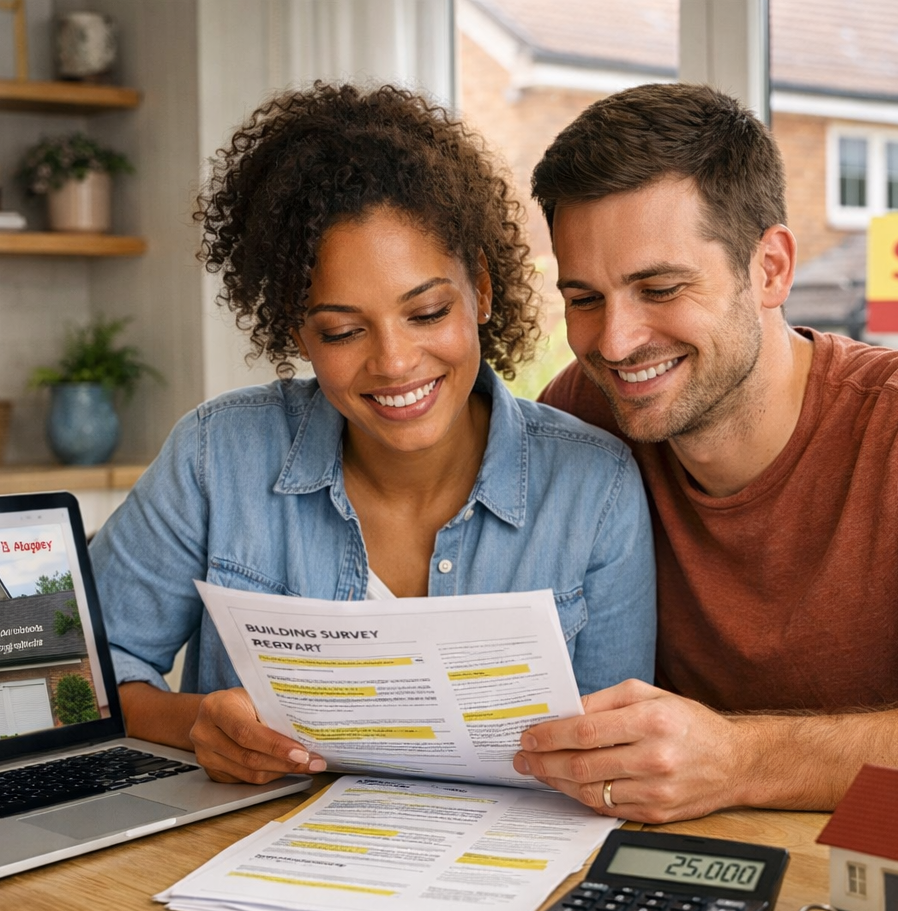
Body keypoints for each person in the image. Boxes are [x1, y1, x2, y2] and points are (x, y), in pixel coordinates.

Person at [512, 83, 898, 822]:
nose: (615, 343)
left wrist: (741, 761)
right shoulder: (583, 416)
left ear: (771, 268)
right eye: (584, 299)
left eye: (660, 287)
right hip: (702, 879)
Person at [90, 83, 655, 785]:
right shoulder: (217, 457)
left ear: (480, 288)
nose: (393, 363)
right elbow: (81, 678)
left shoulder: (595, 488)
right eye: (343, 330)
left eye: (426, 313)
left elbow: (616, 756)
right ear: (297, 330)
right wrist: (195, 722)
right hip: (247, 864)